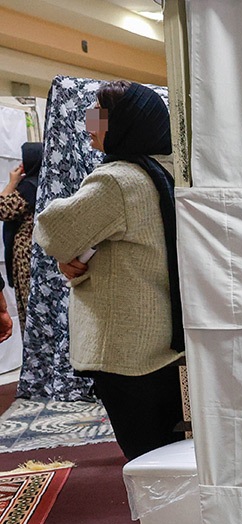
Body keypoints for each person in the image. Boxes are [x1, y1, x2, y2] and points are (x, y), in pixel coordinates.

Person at [32, 81, 183, 460]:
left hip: (128, 350)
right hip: (167, 339)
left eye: (98, 114)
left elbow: (54, 231)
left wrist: (67, 256)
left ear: (125, 122)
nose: (89, 123)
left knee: (145, 452)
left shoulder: (117, 181)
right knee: (173, 448)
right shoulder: (168, 172)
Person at [0, 142, 41, 335]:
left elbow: (2, 209)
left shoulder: (29, 187)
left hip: (26, 257)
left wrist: (11, 183)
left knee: (29, 309)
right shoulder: (41, 183)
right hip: (33, 254)